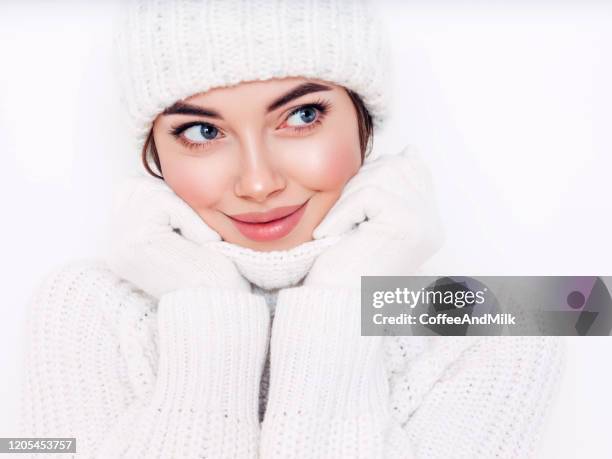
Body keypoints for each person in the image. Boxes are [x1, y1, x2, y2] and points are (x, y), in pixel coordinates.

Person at [19, 0, 566, 457]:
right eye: (202, 130)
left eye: (302, 116)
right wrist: (208, 309)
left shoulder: (517, 318)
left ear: (363, 118)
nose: (258, 183)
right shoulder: (85, 308)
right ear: (154, 151)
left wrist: (345, 298)